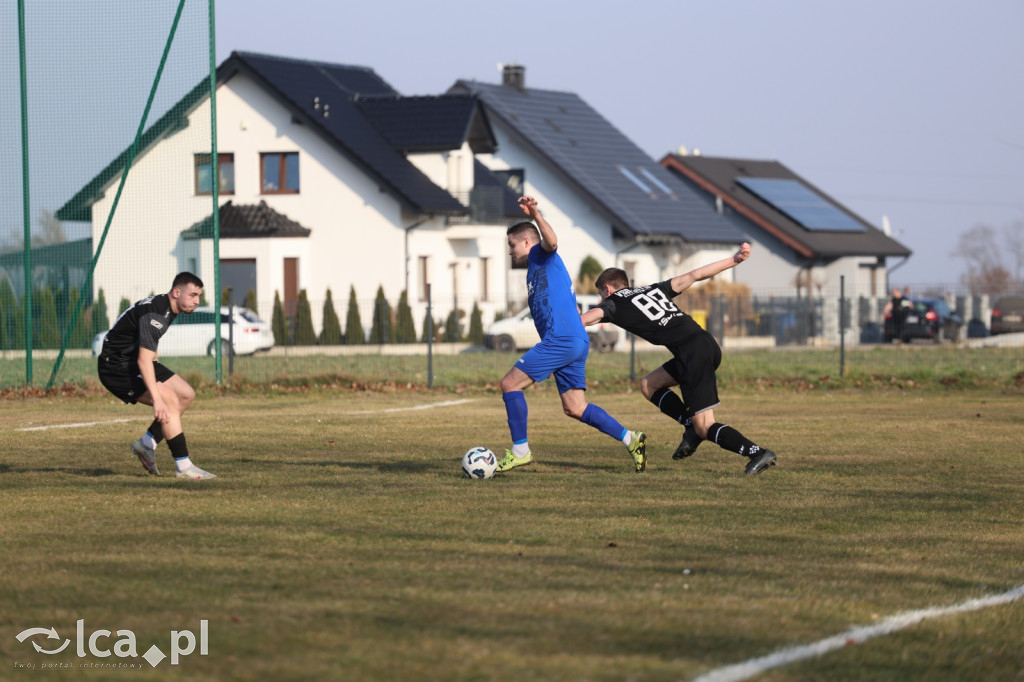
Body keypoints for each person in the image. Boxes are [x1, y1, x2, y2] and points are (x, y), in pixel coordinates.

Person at [582, 243, 776, 476]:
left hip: (692, 353)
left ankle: (757, 452)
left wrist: (562, 321)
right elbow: (694, 275)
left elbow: (588, 319)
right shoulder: (652, 289)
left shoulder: (613, 303)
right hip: (704, 343)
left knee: (705, 426)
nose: (600, 300)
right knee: (649, 384)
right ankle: (689, 426)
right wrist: (734, 260)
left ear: (607, 289)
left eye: (600, 295)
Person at [497, 196, 647, 474]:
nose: (509, 251)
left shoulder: (541, 254)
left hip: (562, 340)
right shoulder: (535, 269)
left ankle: (520, 451)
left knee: (510, 384)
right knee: (575, 407)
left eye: (511, 244)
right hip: (574, 341)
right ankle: (631, 439)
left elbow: (552, 241)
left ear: (527, 242)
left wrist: (536, 214)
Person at [96, 272, 216, 480]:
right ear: (177, 292)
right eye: (193, 295)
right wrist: (158, 399)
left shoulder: (165, 306)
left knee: (186, 394)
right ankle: (184, 467)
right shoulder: (157, 315)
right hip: (116, 368)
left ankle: (146, 443)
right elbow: (144, 360)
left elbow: (147, 345)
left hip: (135, 360)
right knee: (168, 400)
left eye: (199, 295)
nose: (197, 301)